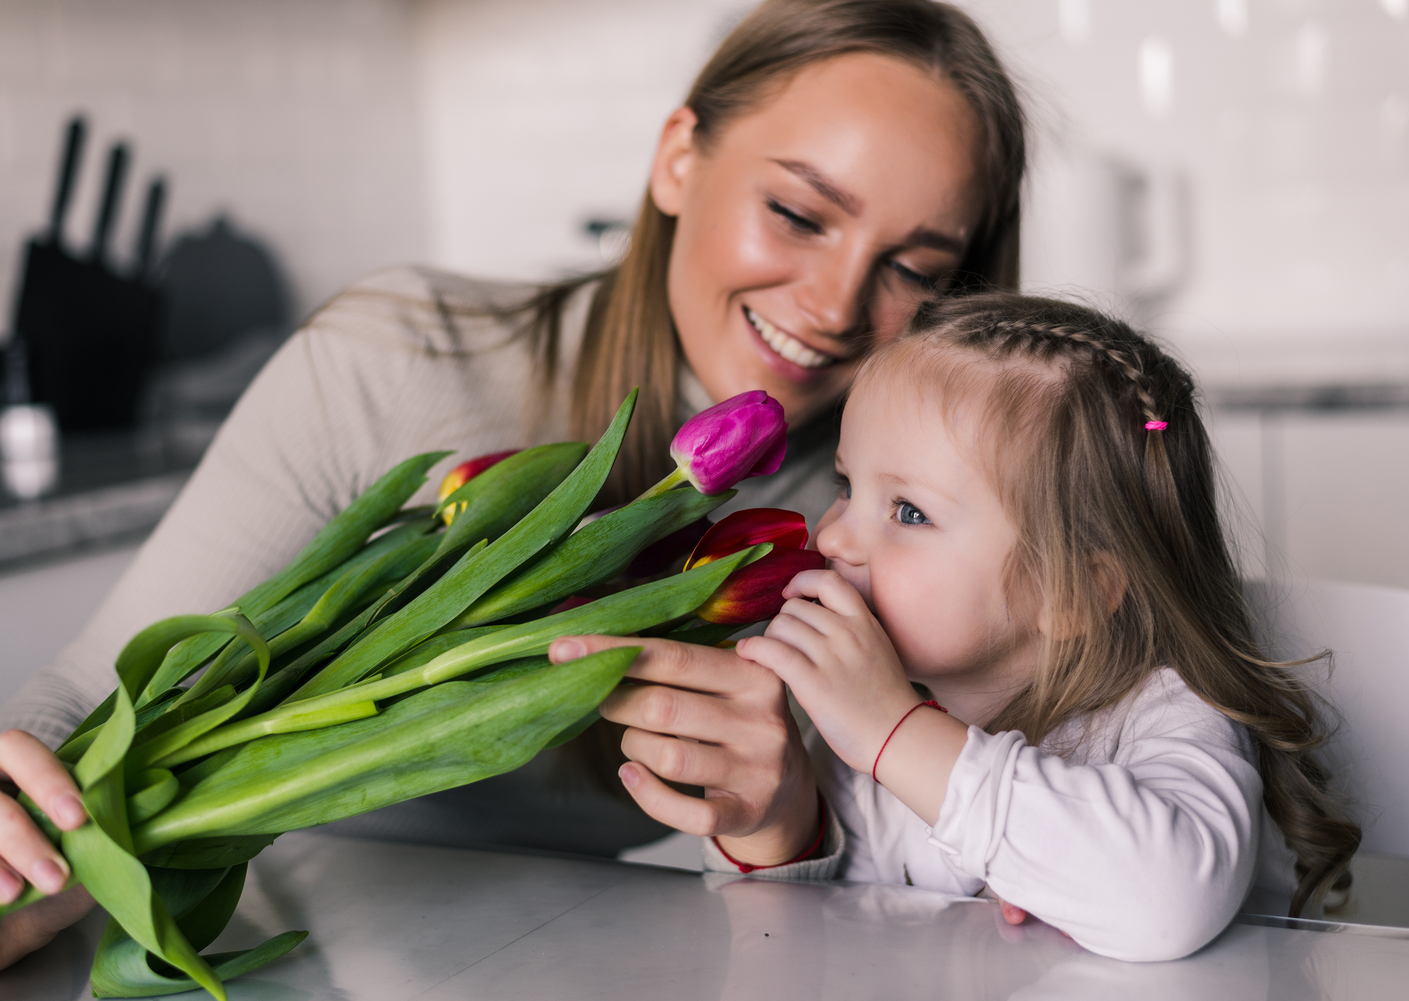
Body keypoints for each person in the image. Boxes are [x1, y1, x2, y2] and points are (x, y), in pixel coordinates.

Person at [0, 0, 1026, 969]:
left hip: (598, 956)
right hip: (280, 934)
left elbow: (903, 899)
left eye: (916, 270)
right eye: (800, 213)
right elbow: (91, 701)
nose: (837, 303)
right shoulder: (402, 359)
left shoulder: (913, 527)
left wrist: (782, 824)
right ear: (678, 159)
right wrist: (26, 839)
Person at [711, 292, 1362, 960]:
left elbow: (1165, 905)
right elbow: (844, 935)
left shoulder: (1169, 717)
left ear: (1072, 592)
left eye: (907, 511)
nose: (834, 533)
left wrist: (893, 734)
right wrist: (784, 829)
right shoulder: (880, 718)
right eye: (847, 485)